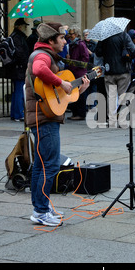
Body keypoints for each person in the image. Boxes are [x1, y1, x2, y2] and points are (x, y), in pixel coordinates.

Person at [25, 22, 90, 226]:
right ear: (51, 40)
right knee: (50, 165)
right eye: (62, 38)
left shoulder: (47, 54)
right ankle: (42, 211)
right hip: (44, 118)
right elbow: (38, 69)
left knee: (40, 165)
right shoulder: (43, 55)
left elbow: (61, 96)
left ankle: (40, 208)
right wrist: (61, 82)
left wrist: (81, 87)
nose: (65, 40)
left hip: (42, 116)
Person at [95, 30, 135, 127]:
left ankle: (112, 120)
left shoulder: (104, 36)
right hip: (123, 70)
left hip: (109, 70)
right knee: (123, 95)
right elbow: (133, 50)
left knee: (111, 96)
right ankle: (122, 120)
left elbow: (98, 52)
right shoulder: (124, 36)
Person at [67, 26, 89, 120]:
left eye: (71, 34)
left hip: (79, 72)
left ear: (76, 34)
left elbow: (85, 58)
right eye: (69, 34)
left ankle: (80, 114)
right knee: (74, 93)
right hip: (73, 72)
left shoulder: (80, 44)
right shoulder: (72, 44)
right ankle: (75, 113)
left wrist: (75, 63)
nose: (70, 36)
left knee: (80, 94)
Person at [10, 18, 30, 122]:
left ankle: (14, 113)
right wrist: (27, 63)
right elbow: (20, 54)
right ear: (19, 27)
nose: (26, 28)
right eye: (24, 26)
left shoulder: (14, 36)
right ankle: (18, 114)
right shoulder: (18, 37)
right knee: (19, 91)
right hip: (20, 68)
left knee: (16, 91)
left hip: (15, 68)